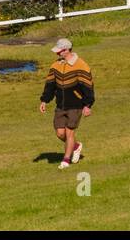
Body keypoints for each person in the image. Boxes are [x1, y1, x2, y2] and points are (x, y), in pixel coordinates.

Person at [40, 38, 94, 169]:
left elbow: (88, 87)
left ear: (67, 49)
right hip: (61, 105)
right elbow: (50, 85)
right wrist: (44, 100)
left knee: (70, 132)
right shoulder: (55, 66)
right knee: (60, 133)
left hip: (76, 105)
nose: (57, 54)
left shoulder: (81, 65)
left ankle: (66, 160)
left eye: (59, 51)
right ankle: (76, 146)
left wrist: (87, 105)